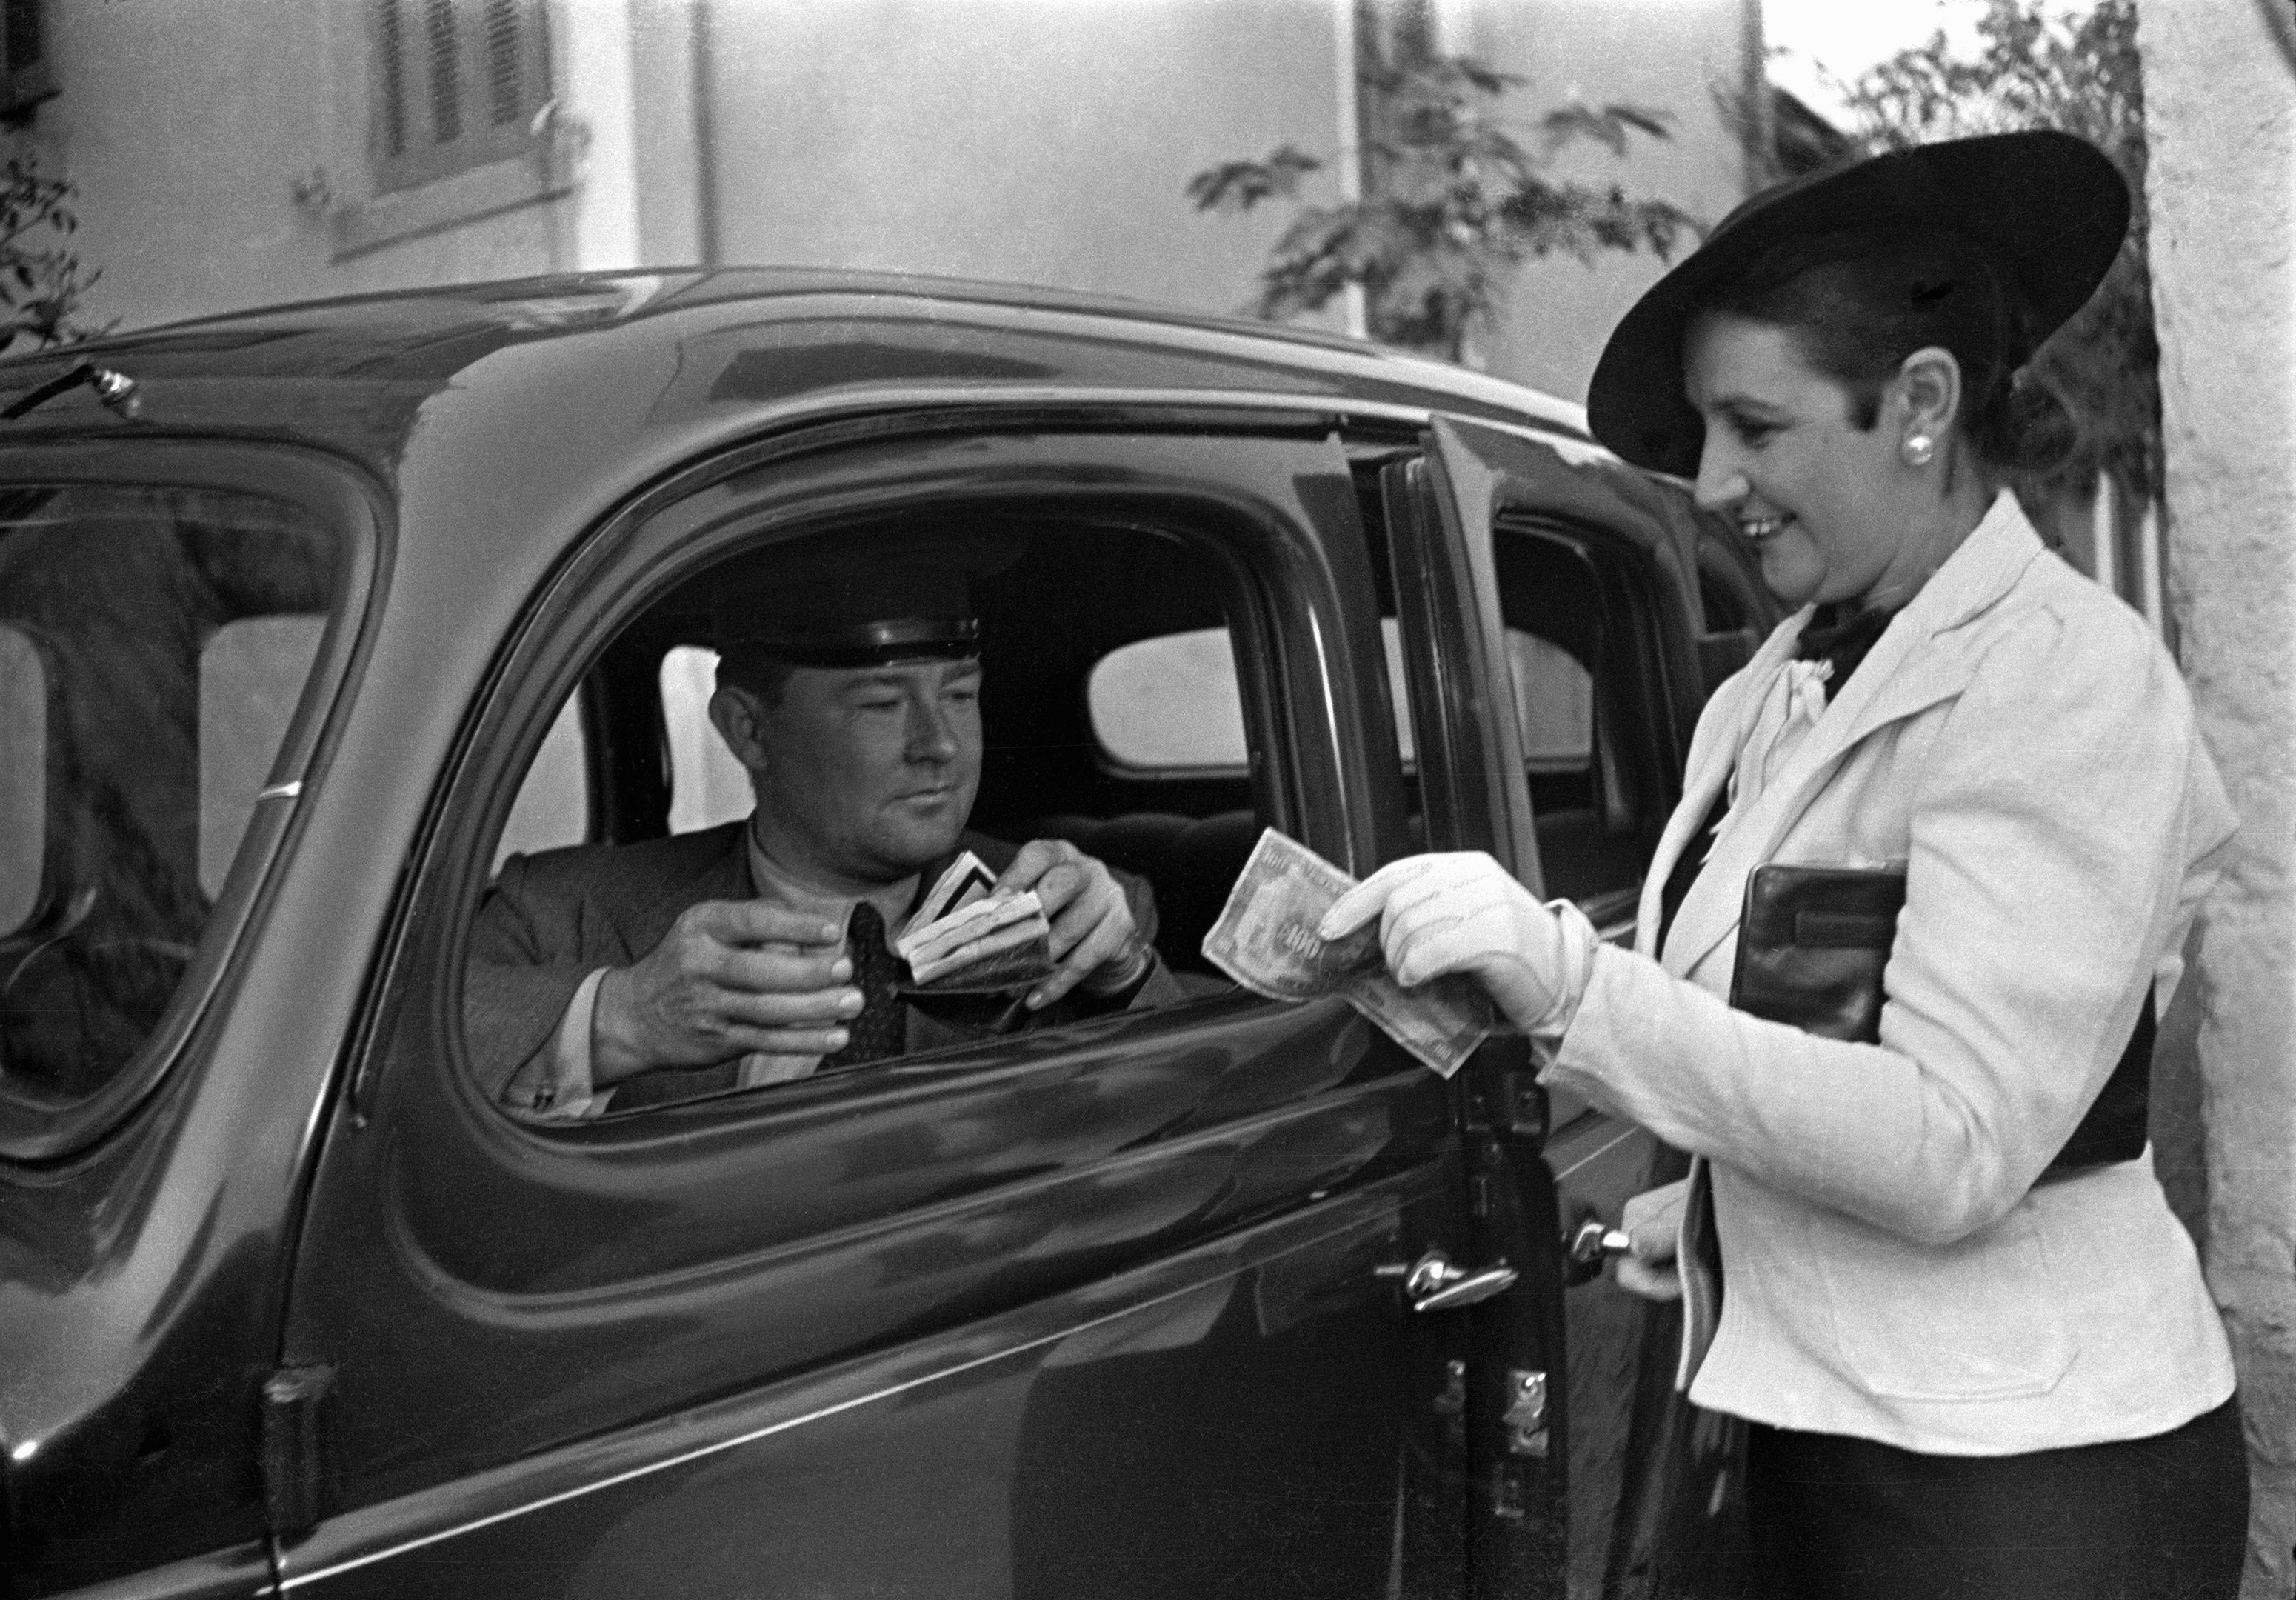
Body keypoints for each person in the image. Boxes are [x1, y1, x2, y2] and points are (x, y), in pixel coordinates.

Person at [1319, 131, 2249, 1597]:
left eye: (1753, 427)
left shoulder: (2062, 682)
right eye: (1701, 432)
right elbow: (1785, 1034)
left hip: (2019, 1485)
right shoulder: (1766, 692)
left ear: (1919, 405)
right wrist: (1686, 1212)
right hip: (1804, 1433)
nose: (1707, 482)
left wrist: (1568, 984)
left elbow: (1949, 1147)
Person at [467, 542, 1178, 1118]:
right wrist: (621, 1017)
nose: (941, 746)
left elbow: (1198, 1127)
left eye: (960, 696)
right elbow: (389, 1052)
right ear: (748, 730)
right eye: (879, 705)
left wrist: (1127, 973)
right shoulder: (561, 909)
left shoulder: (1078, 912)